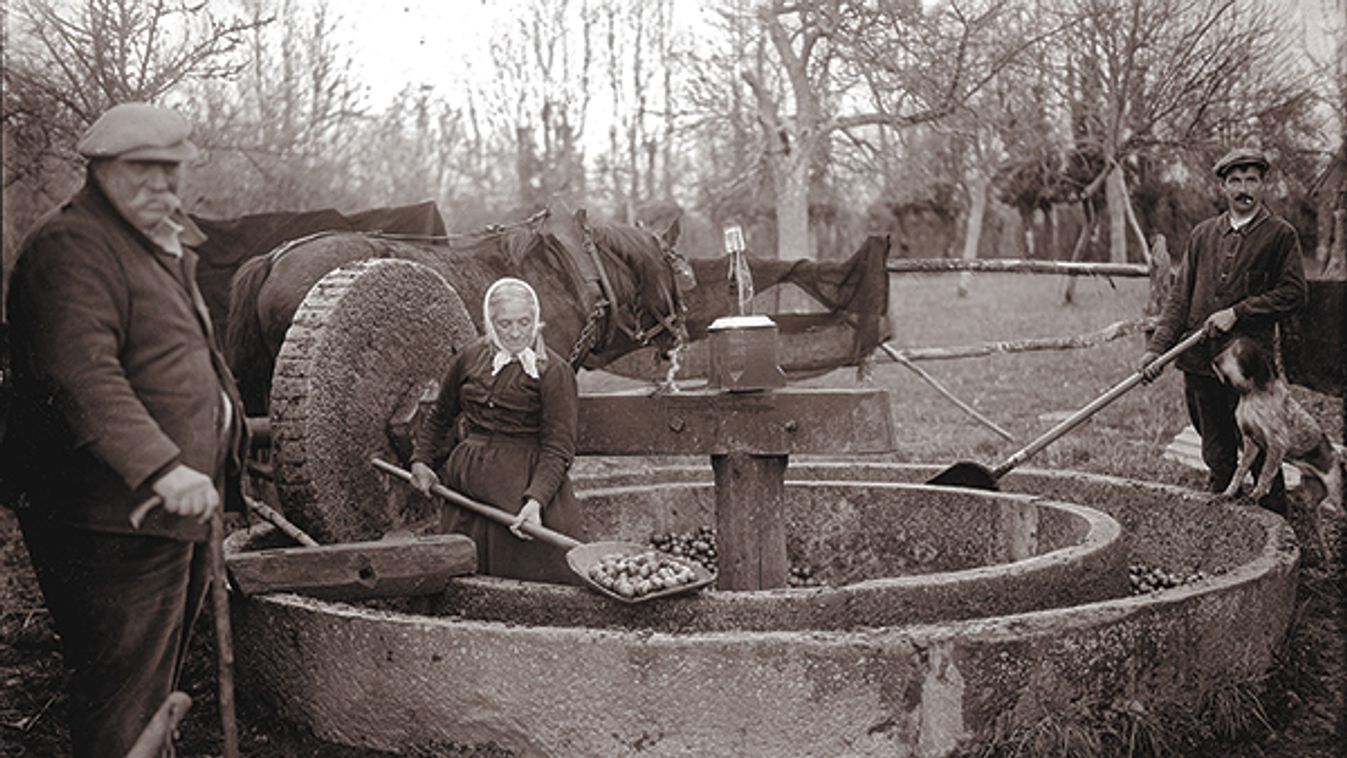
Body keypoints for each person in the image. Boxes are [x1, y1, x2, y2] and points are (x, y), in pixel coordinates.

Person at [1, 102, 246, 757]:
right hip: (112, 515)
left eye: (172, 173)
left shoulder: (153, 244)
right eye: (144, 172)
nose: (162, 187)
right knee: (121, 690)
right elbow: (80, 376)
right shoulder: (71, 247)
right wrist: (163, 467)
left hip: (166, 509)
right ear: (100, 170)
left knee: (151, 684)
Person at [1140, 147, 1308, 513]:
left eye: (1251, 180)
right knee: (1216, 452)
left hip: (1249, 369)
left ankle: (1275, 536)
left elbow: (1294, 293)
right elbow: (1179, 300)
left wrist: (1239, 311)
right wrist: (1157, 350)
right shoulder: (1203, 235)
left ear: (1263, 184)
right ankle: (1225, 527)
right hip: (1200, 363)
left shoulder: (1280, 235)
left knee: (1263, 450)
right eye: (1235, 181)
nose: (1243, 188)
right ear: (1223, 187)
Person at [409, 277, 584, 583]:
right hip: (468, 484)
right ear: (490, 323)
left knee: (521, 576)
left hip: (520, 487)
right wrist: (421, 460)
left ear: (536, 320)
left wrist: (536, 501)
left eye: (524, 322)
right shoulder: (470, 358)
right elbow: (440, 415)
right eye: (505, 324)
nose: (516, 333)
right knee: (463, 573)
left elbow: (559, 447)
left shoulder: (554, 372)